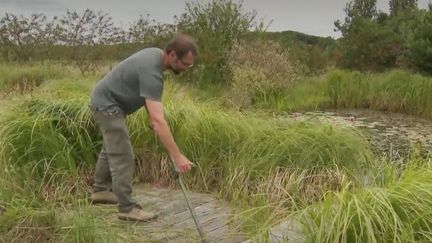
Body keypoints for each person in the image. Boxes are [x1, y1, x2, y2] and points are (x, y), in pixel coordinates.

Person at [89, 34, 197, 222]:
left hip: (107, 101)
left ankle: (100, 190)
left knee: (112, 147)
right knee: (122, 155)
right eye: (185, 64)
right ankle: (127, 209)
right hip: (107, 105)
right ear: (172, 55)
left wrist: (152, 118)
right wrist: (177, 155)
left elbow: (148, 101)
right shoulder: (153, 72)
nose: (187, 68)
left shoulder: (155, 56)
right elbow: (158, 120)